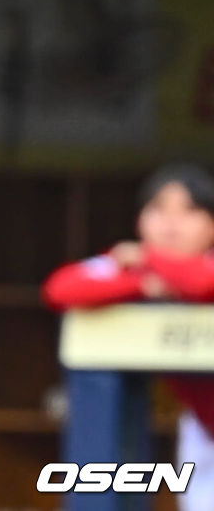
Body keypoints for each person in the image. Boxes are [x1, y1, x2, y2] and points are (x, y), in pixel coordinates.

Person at [42, 163, 214, 511]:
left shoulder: (146, 257)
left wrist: (148, 258)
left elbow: (202, 282)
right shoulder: (134, 267)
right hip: (203, 425)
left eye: (189, 210)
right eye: (159, 209)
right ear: (140, 219)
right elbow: (62, 288)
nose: (171, 223)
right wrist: (141, 280)